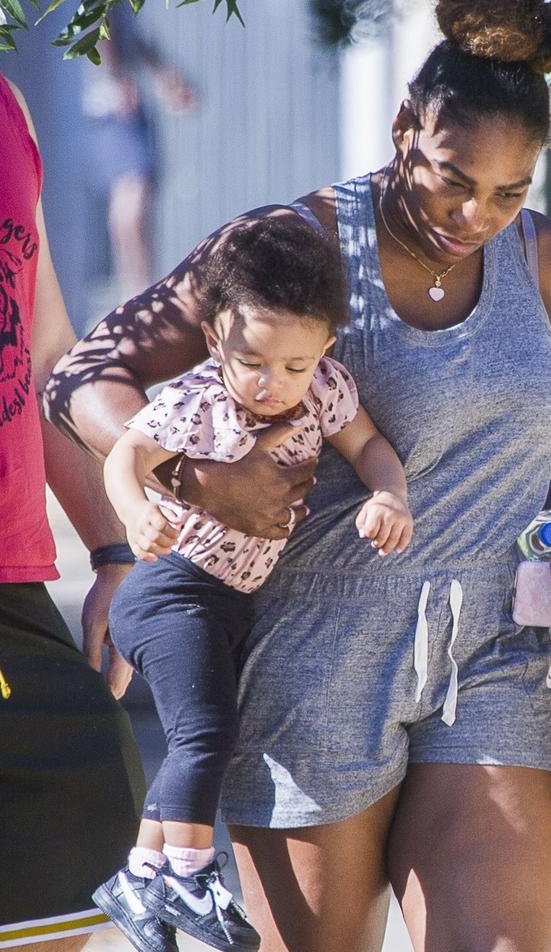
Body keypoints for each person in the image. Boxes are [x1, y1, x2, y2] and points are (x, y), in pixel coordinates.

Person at [47, 0, 551, 952]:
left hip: (494, 654)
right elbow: (86, 371)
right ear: (404, 126)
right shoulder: (297, 243)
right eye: (453, 181)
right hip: (312, 660)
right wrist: (190, 476)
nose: (474, 219)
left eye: (508, 193)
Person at [93, 217, 412, 951]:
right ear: (215, 343)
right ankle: (190, 872)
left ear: (326, 348)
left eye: (295, 364)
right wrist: (137, 514)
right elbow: (126, 457)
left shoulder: (326, 389)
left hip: (231, 603)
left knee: (193, 739)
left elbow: (369, 447)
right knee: (204, 732)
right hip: (170, 589)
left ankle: (141, 873)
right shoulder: (197, 399)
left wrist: (388, 495)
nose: (274, 385)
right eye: (254, 362)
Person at [0, 73, 144, 949]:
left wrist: (114, 548)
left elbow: (47, 350)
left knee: (96, 792)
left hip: (11, 588)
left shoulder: (9, 108)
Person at [79, 2, 197, 329]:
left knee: (137, 197)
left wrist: (164, 75)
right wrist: (117, 78)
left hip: (118, 98)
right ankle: (137, 292)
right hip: (112, 103)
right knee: (131, 197)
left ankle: (141, 291)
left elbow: (131, 35)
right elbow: (97, 22)